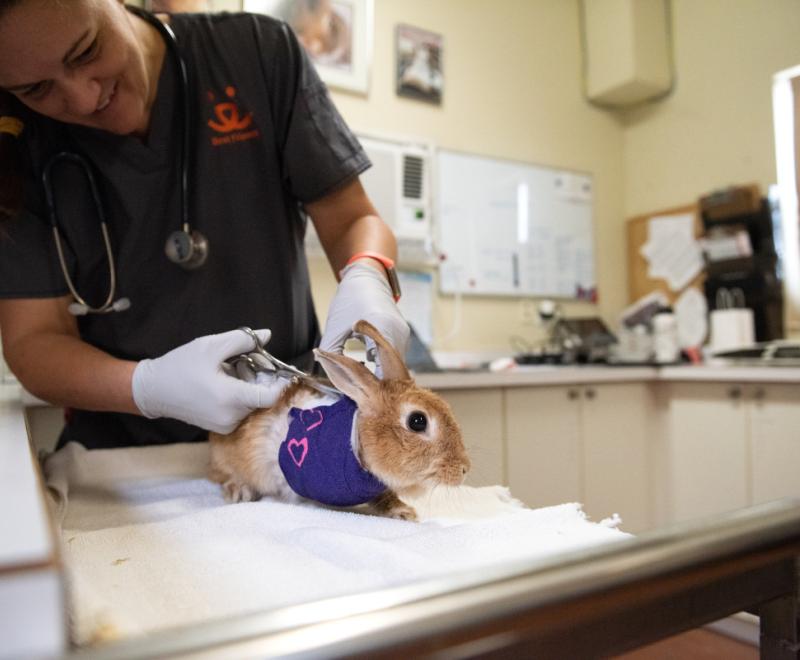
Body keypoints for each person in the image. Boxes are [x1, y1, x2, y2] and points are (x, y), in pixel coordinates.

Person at [0, 0, 409, 450]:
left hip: (286, 434)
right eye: (36, 89)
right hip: (125, 457)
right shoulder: (16, 140)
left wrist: (366, 273)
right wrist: (147, 387)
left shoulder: (254, 53)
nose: (82, 97)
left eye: (86, 51)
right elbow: (33, 341)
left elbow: (353, 218)